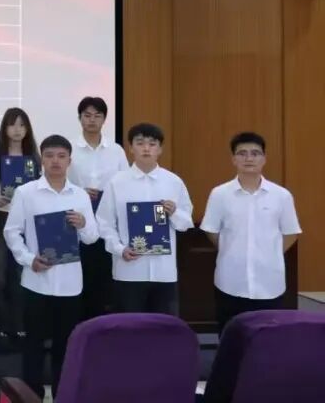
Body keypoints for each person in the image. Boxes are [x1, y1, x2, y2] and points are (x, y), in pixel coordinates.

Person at [3, 134, 98, 401]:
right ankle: (30, 396)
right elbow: (12, 232)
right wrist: (28, 258)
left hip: (70, 284)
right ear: (41, 160)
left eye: (61, 156)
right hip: (36, 281)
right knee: (32, 346)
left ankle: (62, 395)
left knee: (65, 347)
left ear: (69, 161)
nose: (55, 161)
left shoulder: (80, 195)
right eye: (49, 156)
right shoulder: (26, 193)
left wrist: (83, 224)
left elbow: (92, 238)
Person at [200, 132, 301, 333]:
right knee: (230, 338)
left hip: (269, 283)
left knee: (267, 340)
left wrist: (270, 254)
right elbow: (211, 231)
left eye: (255, 153)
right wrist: (233, 250)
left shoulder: (281, 196)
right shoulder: (220, 194)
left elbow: (291, 233)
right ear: (234, 159)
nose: (249, 158)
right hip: (230, 281)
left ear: (264, 159)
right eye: (242, 153)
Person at [96, 123, 193, 315]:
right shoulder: (116, 182)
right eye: (140, 143)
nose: (146, 148)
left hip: (164, 272)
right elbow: (104, 223)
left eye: (152, 144)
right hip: (128, 270)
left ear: (160, 149)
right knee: (128, 327)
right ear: (131, 148)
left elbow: (185, 223)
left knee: (163, 327)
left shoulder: (173, 182)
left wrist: (174, 212)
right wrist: (119, 249)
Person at [0, 107, 39, 340]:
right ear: (4, 128)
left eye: (22, 125)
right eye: (13, 124)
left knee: (20, 273)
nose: (17, 130)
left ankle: (19, 324)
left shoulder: (33, 157)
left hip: (24, 221)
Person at [68, 96, 129, 319]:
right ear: (79, 118)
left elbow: (125, 182)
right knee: (80, 272)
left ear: (104, 119)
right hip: (77, 219)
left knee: (104, 274)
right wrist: (80, 193)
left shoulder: (116, 150)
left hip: (108, 218)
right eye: (87, 115)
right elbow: (59, 181)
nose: (92, 120)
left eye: (97, 116)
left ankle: (101, 325)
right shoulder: (69, 149)